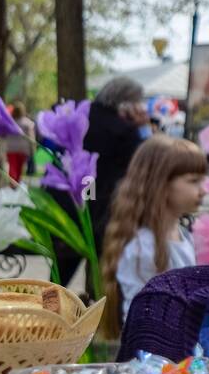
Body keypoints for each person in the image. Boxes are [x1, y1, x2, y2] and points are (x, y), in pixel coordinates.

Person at [99, 136, 209, 340]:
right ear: (161, 184)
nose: (204, 190)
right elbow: (143, 320)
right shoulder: (143, 247)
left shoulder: (182, 236)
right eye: (194, 181)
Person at [54, 77, 151, 286]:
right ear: (128, 103)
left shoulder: (81, 114)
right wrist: (142, 128)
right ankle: (92, 314)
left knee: (58, 279)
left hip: (67, 204)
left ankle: (45, 315)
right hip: (103, 211)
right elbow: (143, 163)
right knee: (99, 279)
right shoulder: (124, 130)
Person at [1, 102, 37, 183]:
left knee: (12, 166)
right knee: (19, 168)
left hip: (10, 148)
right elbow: (31, 138)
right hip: (22, 149)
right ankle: (17, 182)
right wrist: (33, 149)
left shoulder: (10, 123)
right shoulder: (27, 123)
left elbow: (4, 135)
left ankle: (12, 183)